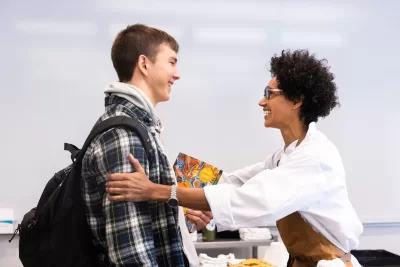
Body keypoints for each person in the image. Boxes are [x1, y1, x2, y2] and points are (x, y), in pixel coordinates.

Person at [106, 49, 364, 267]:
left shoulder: (315, 158)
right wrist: (199, 207)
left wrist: (156, 191)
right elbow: (233, 183)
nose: (261, 101)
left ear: (296, 100)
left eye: (269, 93)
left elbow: (253, 199)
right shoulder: (284, 156)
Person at [81, 24, 211, 267]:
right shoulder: (123, 134)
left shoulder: (142, 126)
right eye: (172, 62)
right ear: (144, 64)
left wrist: (182, 218)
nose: (177, 74)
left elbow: (145, 218)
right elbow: (130, 252)